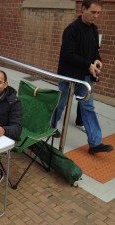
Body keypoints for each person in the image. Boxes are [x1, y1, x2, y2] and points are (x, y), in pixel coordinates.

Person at [52, 0, 113, 154]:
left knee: (88, 107)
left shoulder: (93, 29)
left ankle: (95, 143)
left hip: (85, 77)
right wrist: (88, 65)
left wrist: (97, 60)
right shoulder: (71, 30)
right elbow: (68, 55)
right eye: (93, 12)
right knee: (60, 104)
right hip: (69, 76)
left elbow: (94, 51)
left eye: (99, 13)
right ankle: (49, 128)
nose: (96, 16)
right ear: (83, 9)